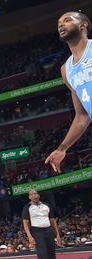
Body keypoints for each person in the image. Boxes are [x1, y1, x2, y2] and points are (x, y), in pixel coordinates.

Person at [44, 12, 91, 172]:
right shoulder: (66, 70)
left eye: (67, 20)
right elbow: (82, 116)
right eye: (59, 23)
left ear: (83, 25)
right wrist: (62, 148)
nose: (61, 24)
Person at [22, 189, 61, 259]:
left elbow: (52, 220)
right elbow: (26, 224)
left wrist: (57, 234)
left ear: (38, 195)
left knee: (51, 255)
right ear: (29, 197)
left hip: (48, 230)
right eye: (32, 194)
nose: (34, 195)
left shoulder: (46, 205)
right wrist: (30, 237)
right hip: (37, 232)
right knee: (42, 255)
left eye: (35, 193)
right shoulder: (27, 207)